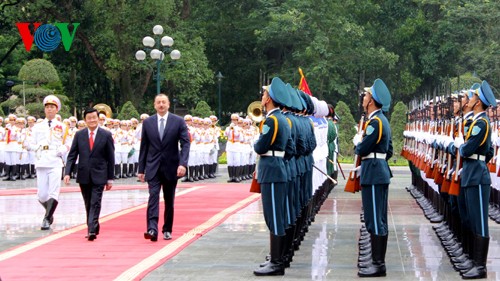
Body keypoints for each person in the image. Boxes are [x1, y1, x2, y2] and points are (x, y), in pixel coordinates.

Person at [451, 80, 495, 279]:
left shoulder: (481, 123)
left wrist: (460, 147)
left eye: (472, 97)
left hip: (477, 175)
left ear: (478, 102)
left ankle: (480, 266)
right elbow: (488, 151)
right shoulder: (477, 122)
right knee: (470, 218)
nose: (468, 100)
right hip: (472, 172)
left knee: (479, 221)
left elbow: (468, 149)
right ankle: (472, 260)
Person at [352, 79, 392, 277]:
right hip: (377, 169)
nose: (364, 98)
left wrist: (358, 143)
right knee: (377, 217)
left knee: (375, 218)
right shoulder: (381, 120)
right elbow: (389, 150)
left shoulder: (375, 122)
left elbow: (362, 148)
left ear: (372, 101)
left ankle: (378, 264)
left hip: (375, 173)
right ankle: (377, 261)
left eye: (366, 95)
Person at [253, 77, 291, 276]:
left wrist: (256, 141)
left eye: (264, 93)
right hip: (277, 168)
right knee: (276, 215)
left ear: (269, 99)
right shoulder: (281, 119)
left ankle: (276, 262)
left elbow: (260, 146)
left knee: (274, 215)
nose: (262, 96)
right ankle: (278, 259)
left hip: (272, 170)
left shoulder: (272, 120)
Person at [138, 93, 190, 242]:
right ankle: (152, 229)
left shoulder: (178, 121)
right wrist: (141, 169)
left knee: (169, 200)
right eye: (158, 102)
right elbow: (144, 147)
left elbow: (185, 143)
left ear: (168, 105)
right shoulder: (148, 123)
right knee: (153, 197)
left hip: (171, 166)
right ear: (154, 105)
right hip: (153, 167)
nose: (161, 105)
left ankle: (167, 229)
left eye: (163, 102)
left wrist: (183, 163)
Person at [63, 108, 115, 241]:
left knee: (95, 202)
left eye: (94, 117)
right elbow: (72, 155)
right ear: (85, 120)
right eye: (89, 118)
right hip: (84, 174)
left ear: (98, 118)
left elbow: (111, 158)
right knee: (88, 203)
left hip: (100, 174)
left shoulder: (106, 135)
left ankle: (91, 229)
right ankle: (93, 225)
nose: (92, 120)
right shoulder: (79, 135)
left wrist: (110, 178)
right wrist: (67, 172)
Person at [26, 95, 71, 230]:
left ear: (57, 110)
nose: (49, 110)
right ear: (44, 110)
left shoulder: (63, 126)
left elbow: (68, 142)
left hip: (55, 160)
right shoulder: (37, 127)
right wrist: (36, 149)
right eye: (47, 107)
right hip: (41, 159)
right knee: (42, 195)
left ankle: (46, 219)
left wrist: (62, 150)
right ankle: (49, 212)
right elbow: (29, 143)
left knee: (53, 191)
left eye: (52, 107)